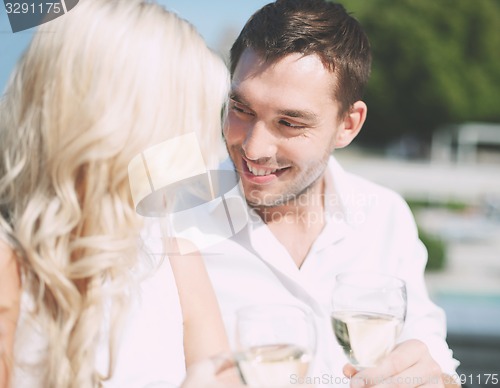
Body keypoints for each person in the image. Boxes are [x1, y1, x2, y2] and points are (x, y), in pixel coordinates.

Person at [201, 0, 461, 387]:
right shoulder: (176, 218)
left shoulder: (385, 216)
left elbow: (433, 358)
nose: (254, 148)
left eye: (289, 123)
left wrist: (437, 380)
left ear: (348, 125)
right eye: (241, 108)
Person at [0, 0, 239, 387]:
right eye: (186, 127)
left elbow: (220, 369)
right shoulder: (11, 263)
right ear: (118, 132)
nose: (206, 153)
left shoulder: (167, 239)